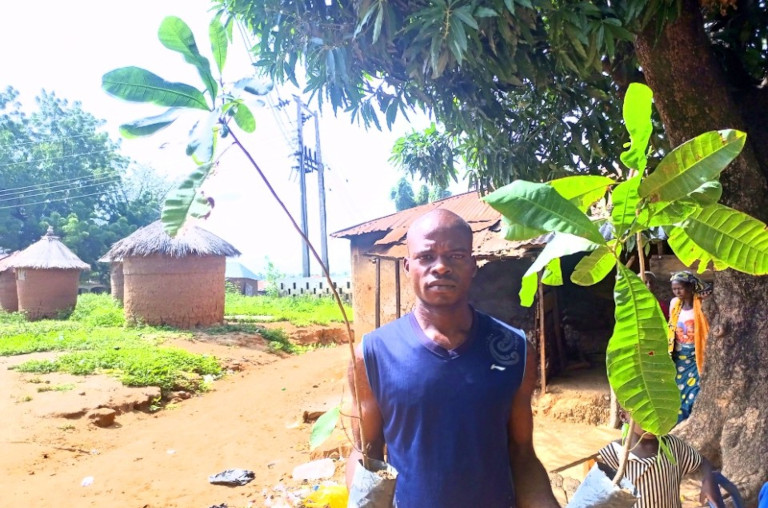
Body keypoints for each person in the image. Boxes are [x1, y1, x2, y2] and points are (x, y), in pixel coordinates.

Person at [345, 209, 559, 508]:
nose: (441, 267)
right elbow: (365, 454)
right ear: (408, 266)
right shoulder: (373, 354)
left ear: (473, 266)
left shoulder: (513, 350)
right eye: (426, 256)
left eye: (456, 256)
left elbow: (522, 454)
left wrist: (545, 503)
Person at [597, 409, 724, 508]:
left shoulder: (673, 446)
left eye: (656, 411)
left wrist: (709, 481)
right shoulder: (613, 454)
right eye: (643, 413)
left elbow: (702, 462)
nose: (651, 419)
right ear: (624, 416)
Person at [668, 271, 711, 422]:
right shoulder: (674, 304)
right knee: (676, 392)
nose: (677, 292)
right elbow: (671, 328)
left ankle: (689, 421)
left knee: (694, 391)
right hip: (679, 356)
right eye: (674, 289)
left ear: (690, 287)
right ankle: (677, 424)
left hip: (697, 355)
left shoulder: (701, 303)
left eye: (680, 288)